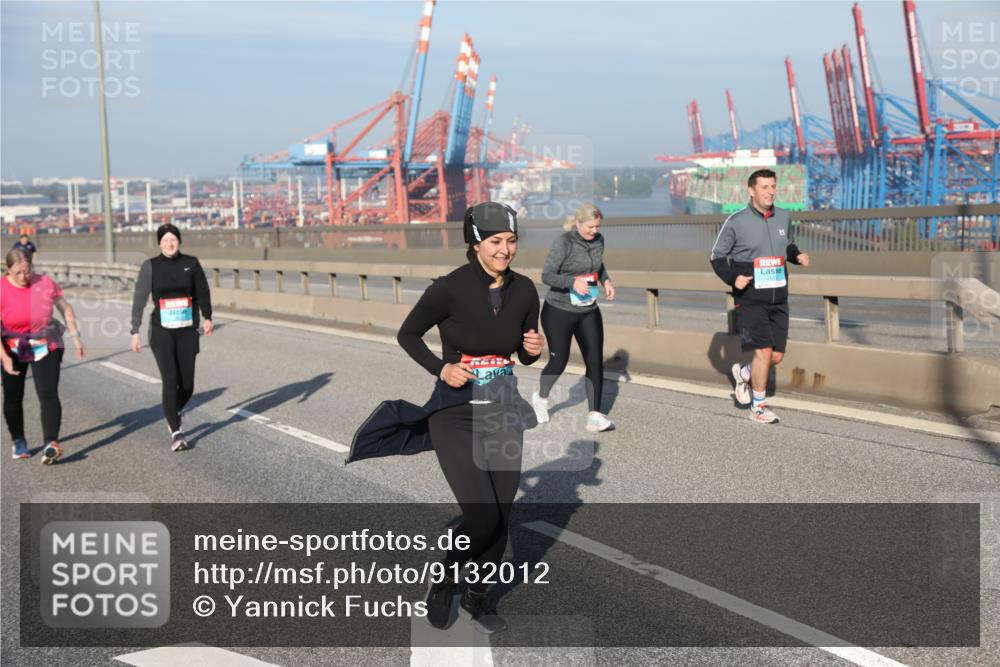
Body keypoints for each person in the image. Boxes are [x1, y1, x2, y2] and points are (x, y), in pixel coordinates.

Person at [348, 202, 544, 634]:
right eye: (496, 242)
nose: (505, 250)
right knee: (482, 518)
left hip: (504, 411)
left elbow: (526, 353)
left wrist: (532, 350)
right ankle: (444, 580)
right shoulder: (449, 289)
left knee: (502, 517)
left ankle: (477, 596)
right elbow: (407, 334)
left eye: (511, 241)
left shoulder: (527, 291)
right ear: (475, 243)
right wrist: (442, 368)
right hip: (455, 414)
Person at [710, 168, 810, 424]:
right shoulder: (736, 221)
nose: (770, 192)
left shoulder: (784, 217)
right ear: (751, 190)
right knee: (764, 352)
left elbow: (786, 245)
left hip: (779, 297)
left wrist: (796, 256)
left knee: (776, 356)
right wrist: (734, 278)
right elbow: (717, 256)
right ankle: (759, 406)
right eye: (764, 187)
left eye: (773, 186)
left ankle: (743, 372)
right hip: (751, 297)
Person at [533, 203, 615, 432]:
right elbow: (546, 275)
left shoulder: (599, 240)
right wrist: (572, 282)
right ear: (578, 223)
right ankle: (541, 398)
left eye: (597, 226)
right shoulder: (564, 242)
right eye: (590, 227)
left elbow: (598, 266)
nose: (594, 231)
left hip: (588, 309)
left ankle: (595, 416)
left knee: (595, 361)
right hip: (558, 310)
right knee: (559, 361)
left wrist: (605, 280)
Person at [130, 223, 213, 451]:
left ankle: (173, 410)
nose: (170, 243)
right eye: (165, 240)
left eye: (173, 239)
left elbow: (202, 291)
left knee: (187, 384)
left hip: (187, 329)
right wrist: (135, 330)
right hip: (162, 331)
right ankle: (176, 431)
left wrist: (207, 316)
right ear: (159, 243)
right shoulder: (150, 266)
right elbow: (139, 298)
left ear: (179, 241)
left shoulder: (191, 263)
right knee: (170, 379)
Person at [0, 248, 86, 463]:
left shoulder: (45, 283)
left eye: (27, 271)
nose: (23, 277)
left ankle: (51, 442)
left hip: (44, 343)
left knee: (48, 393)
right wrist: (5, 356)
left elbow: (65, 308)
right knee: (13, 396)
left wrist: (76, 337)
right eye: (17, 273)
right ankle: (18, 439)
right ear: (8, 270)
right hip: (12, 346)